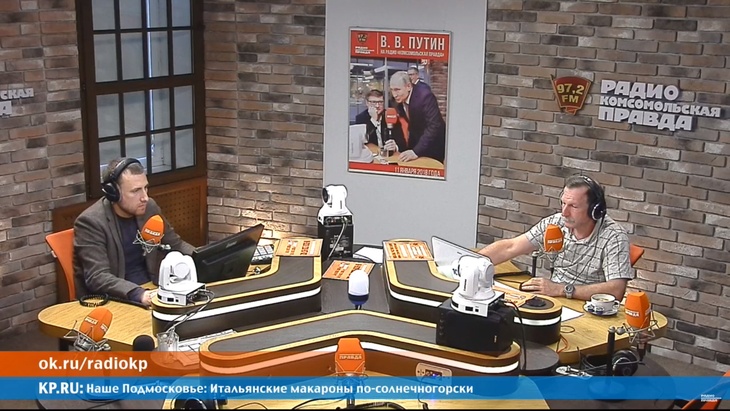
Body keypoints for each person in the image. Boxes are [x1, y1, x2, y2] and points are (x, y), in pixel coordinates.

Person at [477, 175, 633, 301]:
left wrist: (561, 289)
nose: (564, 212)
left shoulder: (614, 236)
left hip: (590, 307)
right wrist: (473, 263)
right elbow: (510, 247)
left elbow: (616, 290)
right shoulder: (556, 223)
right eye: (563, 203)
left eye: (573, 206)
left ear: (595, 211)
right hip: (555, 299)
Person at [73, 158, 196, 307]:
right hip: (115, 299)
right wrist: (140, 294)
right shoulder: (91, 222)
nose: (145, 197)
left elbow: (175, 245)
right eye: (136, 191)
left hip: (151, 287)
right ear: (114, 193)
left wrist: (202, 258)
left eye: (145, 188)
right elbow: (98, 277)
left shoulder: (149, 208)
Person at [389, 70, 446, 163]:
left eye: (397, 90)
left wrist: (416, 151)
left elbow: (434, 126)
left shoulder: (425, 96)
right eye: (392, 90)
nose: (394, 94)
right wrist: (398, 146)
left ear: (408, 86)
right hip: (416, 142)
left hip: (433, 144)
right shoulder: (396, 99)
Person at [354, 89, 406, 155]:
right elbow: (363, 143)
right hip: (370, 156)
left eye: (380, 102)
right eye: (373, 102)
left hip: (389, 156)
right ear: (367, 103)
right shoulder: (361, 118)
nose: (377, 106)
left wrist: (395, 147)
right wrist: (374, 121)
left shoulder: (390, 115)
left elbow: (403, 144)